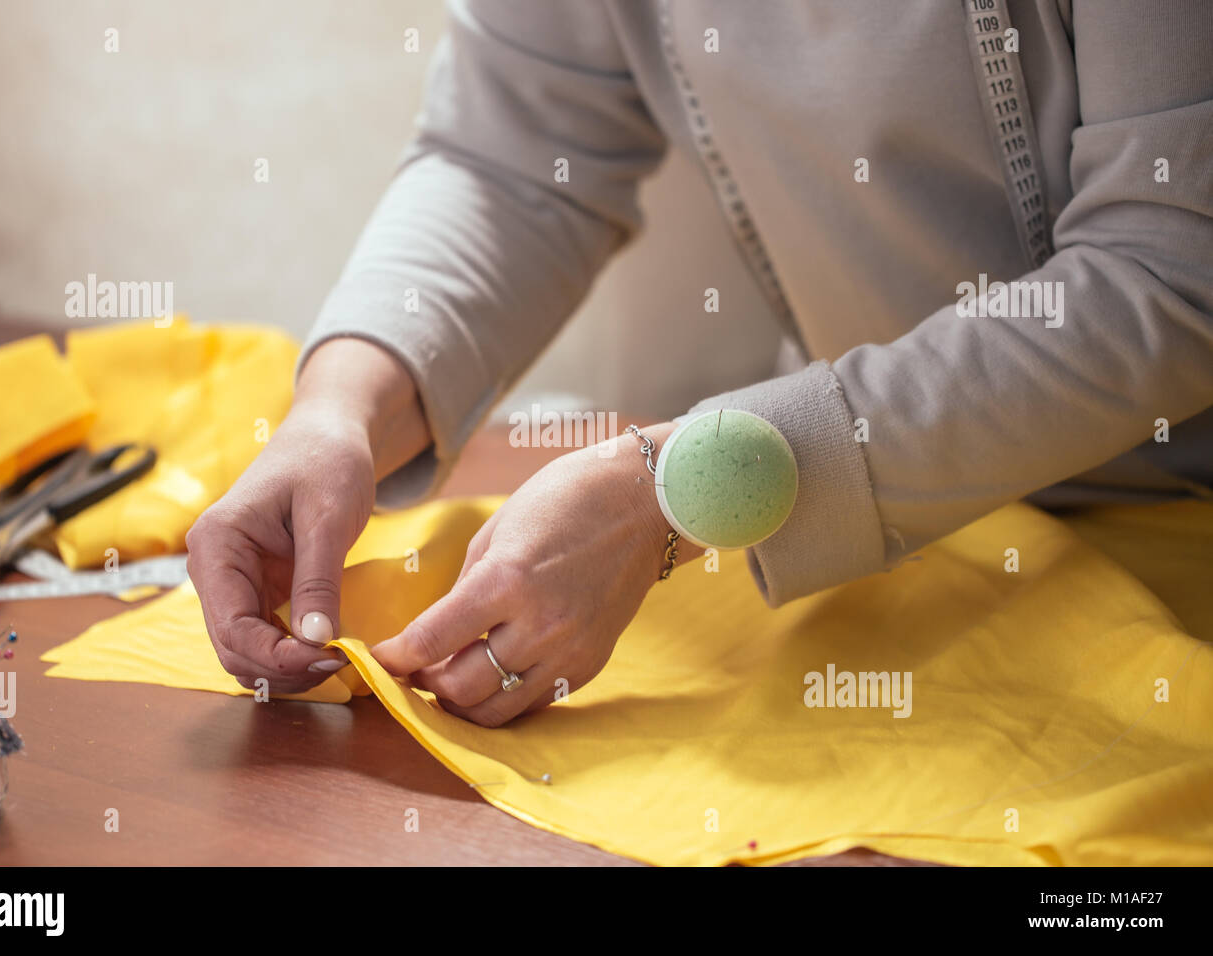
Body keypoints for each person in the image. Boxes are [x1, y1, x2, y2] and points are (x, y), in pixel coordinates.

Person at [185, 1, 1213, 727]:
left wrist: (672, 493)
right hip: (883, 546)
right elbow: (508, 159)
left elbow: (1170, 276)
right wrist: (341, 409)